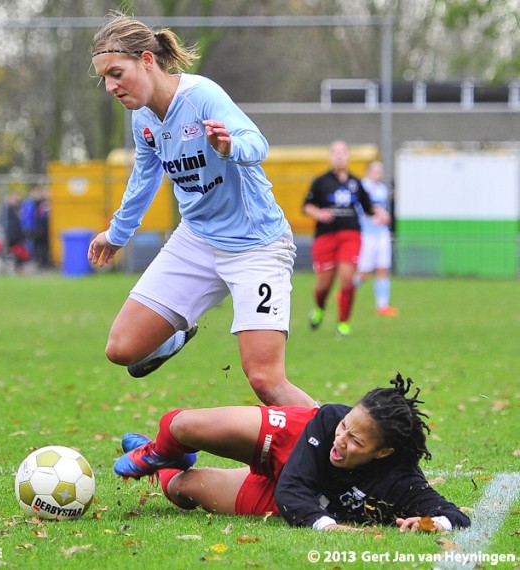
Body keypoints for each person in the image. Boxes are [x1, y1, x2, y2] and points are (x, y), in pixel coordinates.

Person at [87, 13, 314, 407]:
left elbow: (256, 143)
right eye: (104, 78)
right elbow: (144, 178)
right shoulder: (142, 118)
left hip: (255, 246)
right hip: (196, 240)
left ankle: (343, 456)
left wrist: (230, 148)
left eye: (116, 73)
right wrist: (117, 234)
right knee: (122, 349)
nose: (110, 86)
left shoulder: (200, 96)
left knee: (265, 380)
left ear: (146, 59)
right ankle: (178, 331)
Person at [113, 374, 470, 533]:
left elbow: (454, 515)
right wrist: (330, 527)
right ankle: (161, 450)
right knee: (182, 427)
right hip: (293, 441)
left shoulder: (400, 482)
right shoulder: (328, 421)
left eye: (357, 441)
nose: (341, 439)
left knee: (183, 489)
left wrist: (428, 523)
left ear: (383, 453)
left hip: (292, 496)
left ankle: (171, 465)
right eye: (346, 426)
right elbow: (293, 489)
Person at [303, 141, 389, 337]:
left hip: (351, 235)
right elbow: (307, 206)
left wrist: (380, 213)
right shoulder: (320, 182)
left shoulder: (356, 183)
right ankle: (319, 309)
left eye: (343, 152)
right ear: (330, 157)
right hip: (326, 236)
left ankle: (344, 323)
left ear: (348, 156)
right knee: (324, 285)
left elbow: (368, 208)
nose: (339, 155)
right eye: (335, 152)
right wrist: (319, 213)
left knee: (347, 279)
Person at [355, 160, 398, 316]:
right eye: (375, 170)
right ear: (368, 171)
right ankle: (347, 293)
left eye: (380, 170)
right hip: (367, 234)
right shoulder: (363, 187)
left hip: (381, 233)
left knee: (383, 268)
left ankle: (383, 306)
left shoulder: (382, 189)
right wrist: (376, 216)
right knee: (365, 271)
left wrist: (382, 217)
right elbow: (362, 209)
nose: (378, 173)